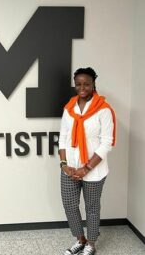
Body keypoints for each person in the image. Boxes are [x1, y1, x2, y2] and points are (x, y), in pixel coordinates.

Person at [58, 67, 116, 255]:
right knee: (69, 205)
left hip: (94, 170)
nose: (82, 87)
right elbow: (63, 138)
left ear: (93, 85)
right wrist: (64, 164)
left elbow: (107, 143)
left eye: (86, 84)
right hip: (70, 169)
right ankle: (80, 239)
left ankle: (90, 243)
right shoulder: (69, 109)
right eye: (78, 84)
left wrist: (86, 168)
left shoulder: (104, 110)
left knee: (91, 207)